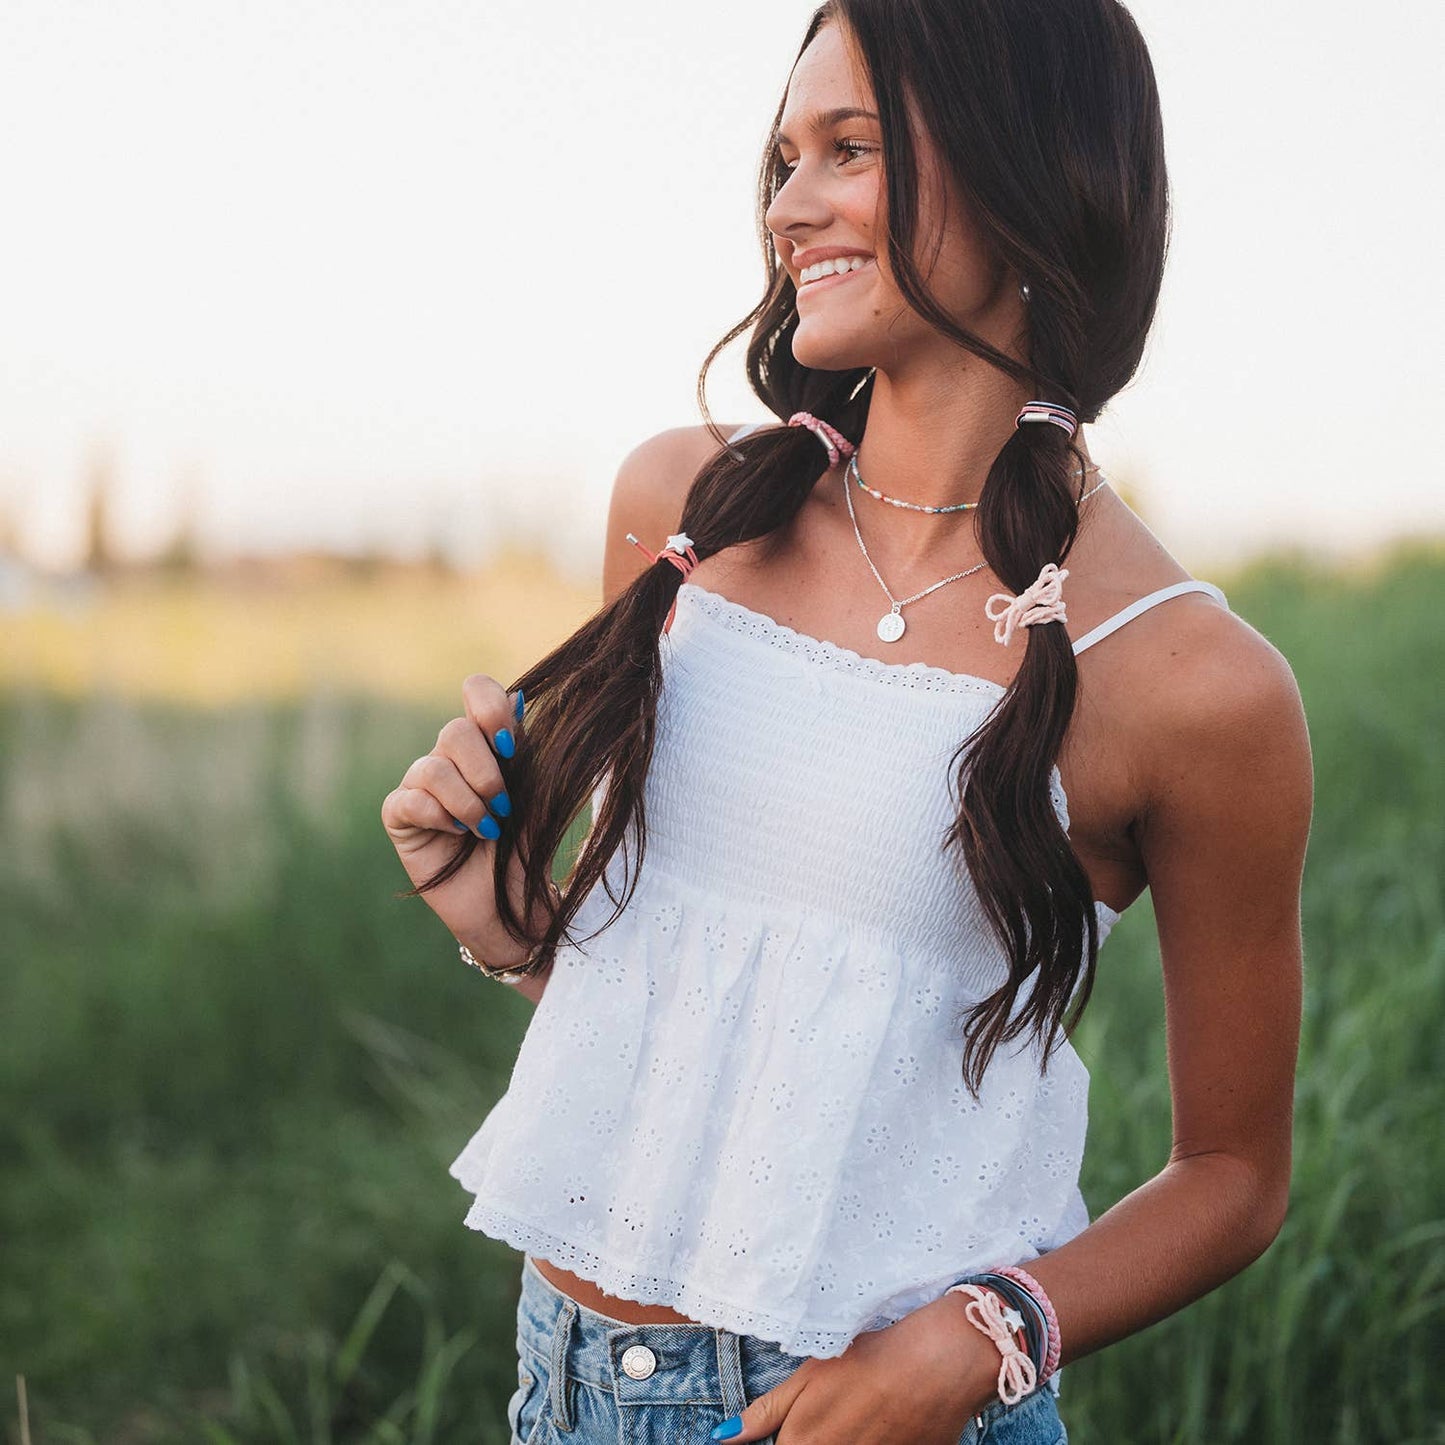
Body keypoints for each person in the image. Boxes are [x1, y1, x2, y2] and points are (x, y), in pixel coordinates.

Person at [380, 1, 1313, 1440]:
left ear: (1024, 171)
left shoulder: (1191, 682)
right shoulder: (683, 511)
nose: (787, 207)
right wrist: (511, 928)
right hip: (565, 1384)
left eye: (848, 150)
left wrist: (984, 1337)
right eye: (780, 159)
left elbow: (1234, 1174)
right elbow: (722, 1044)